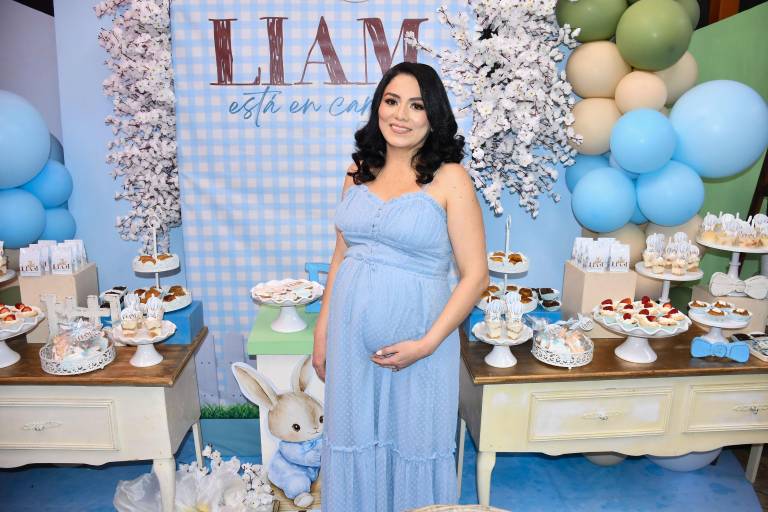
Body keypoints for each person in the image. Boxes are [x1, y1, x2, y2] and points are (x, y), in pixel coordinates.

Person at [313, 61, 488, 511]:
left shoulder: (450, 178)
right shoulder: (357, 171)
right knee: (353, 439)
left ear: (434, 115)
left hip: (421, 345)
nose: (401, 115)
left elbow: (476, 277)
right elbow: (341, 255)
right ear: (378, 107)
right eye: (392, 101)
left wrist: (427, 345)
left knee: (414, 444)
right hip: (350, 340)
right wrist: (322, 330)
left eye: (416, 105)